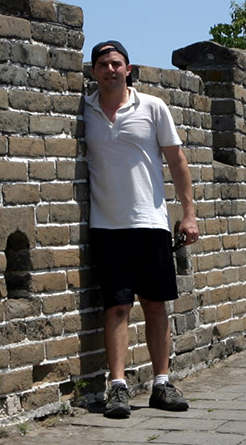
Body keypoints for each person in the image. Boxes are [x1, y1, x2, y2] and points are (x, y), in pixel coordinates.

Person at [84, 40, 200, 419]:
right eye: (102, 64)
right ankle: (117, 387)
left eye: (116, 63)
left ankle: (162, 384)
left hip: (149, 222)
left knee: (155, 304)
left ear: (128, 69)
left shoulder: (152, 107)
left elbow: (177, 161)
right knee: (117, 306)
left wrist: (188, 213)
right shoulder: (84, 110)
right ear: (93, 72)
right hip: (107, 225)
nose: (110, 70)